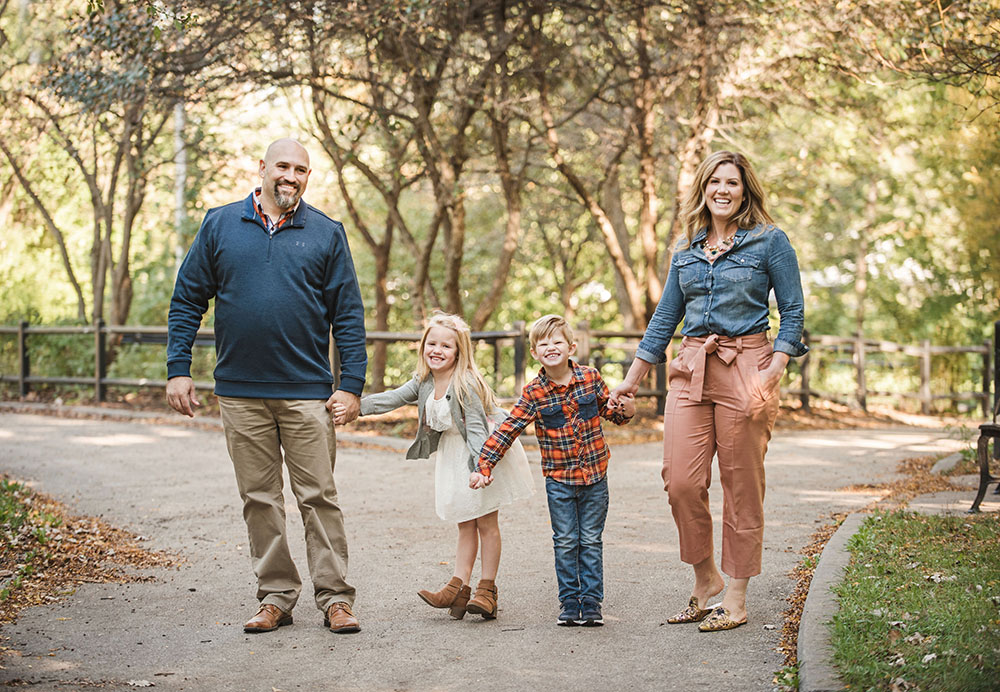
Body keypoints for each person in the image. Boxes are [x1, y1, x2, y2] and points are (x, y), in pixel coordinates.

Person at [165, 138, 367, 635]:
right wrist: (178, 368)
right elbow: (188, 299)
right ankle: (276, 594)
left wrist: (352, 384)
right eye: (283, 165)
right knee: (260, 498)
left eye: (301, 169)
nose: (291, 176)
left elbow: (348, 315)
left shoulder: (326, 233)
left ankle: (335, 597)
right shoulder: (220, 224)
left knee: (318, 496)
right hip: (239, 391)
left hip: (307, 391)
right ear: (262, 168)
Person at [609, 150, 807, 632]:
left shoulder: (770, 242)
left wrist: (772, 371)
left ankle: (735, 599)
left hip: (748, 366)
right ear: (703, 189)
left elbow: (794, 312)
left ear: (745, 190)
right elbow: (663, 320)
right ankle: (706, 579)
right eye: (714, 182)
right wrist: (630, 383)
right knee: (680, 481)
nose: (723, 190)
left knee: (741, 488)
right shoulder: (686, 249)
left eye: (732, 183)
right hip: (691, 365)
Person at [335, 313, 533, 620]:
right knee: (464, 521)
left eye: (446, 346)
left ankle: (487, 590)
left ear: (459, 352)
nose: (437, 350)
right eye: (432, 343)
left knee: (486, 523)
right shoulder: (424, 381)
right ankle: (458, 587)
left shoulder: (466, 383)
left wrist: (483, 468)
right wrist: (357, 407)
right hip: (452, 456)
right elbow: (393, 398)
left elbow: (478, 431)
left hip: (482, 454)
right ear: (423, 346)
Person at [473, 315, 635, 627]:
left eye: (557, 341)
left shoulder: (590, 378)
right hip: (560, 481)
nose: (551, 347)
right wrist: (485, 465)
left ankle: (591, 603)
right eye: (543, 343)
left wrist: (626, 407)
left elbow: (613, 413)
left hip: (595, 476)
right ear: (534, 352)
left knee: (589, 539)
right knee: (565, 540)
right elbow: (509, 429)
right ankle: (569, 602)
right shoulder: (534, 392)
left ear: (572, 346)